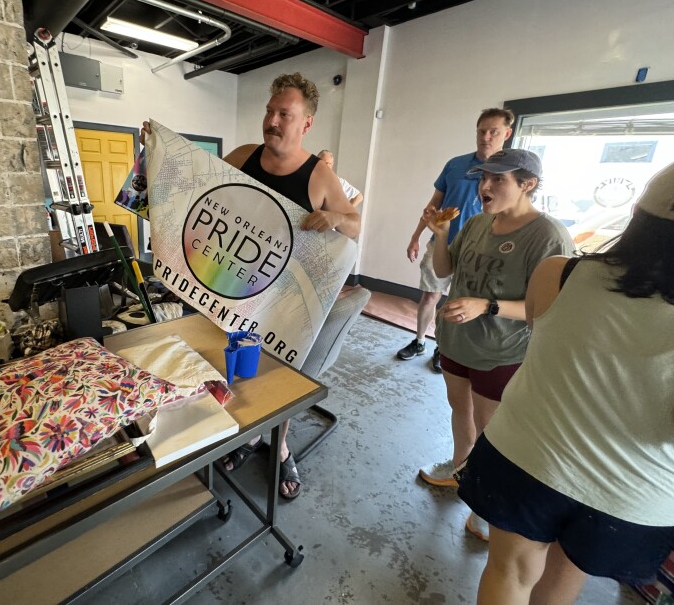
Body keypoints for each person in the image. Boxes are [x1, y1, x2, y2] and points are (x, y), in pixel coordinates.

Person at [457, 162, 674, 604]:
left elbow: (544, 333)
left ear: (635, 215)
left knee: (510, 571)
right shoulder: (485, 226)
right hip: (631, 492)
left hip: (529, 455)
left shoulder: (559, 272)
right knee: (564, 579)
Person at [142, 72, 360, 499]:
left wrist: (335, 217)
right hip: (224, 285)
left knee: (277, 376)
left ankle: (279, 447)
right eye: (270, 110)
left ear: (306, 123)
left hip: (277, 301)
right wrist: (158, 151)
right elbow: (196, 190)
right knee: (223, 366)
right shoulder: (243, 155)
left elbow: (354, 225)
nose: (273, 120)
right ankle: (246, 436)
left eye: (285, 114)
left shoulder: (318, 176)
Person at [418, 148, 574, 541]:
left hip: (502, 351)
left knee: (494, 429)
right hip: (456, 340)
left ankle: (488, 502)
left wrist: (486, 306)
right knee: (460, 408)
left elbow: (549, 308)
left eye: (498, 180)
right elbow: (443, 271)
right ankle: (460, 469)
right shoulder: (475, 223)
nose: (485, 187)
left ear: (528, 185)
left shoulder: (547, 236)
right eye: (483, 177)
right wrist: (440, 236)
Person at [398, 108, 514, 373]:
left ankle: (444, 348)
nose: (486, 137)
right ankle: (418, 341)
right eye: (481, 131)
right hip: (440, 242)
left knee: (458, 302)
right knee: (430, 295)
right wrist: (416, 237)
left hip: (478, 248)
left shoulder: (509, 174)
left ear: (506, 134)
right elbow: (433, 206)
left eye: (493, 131)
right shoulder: (455, 165)